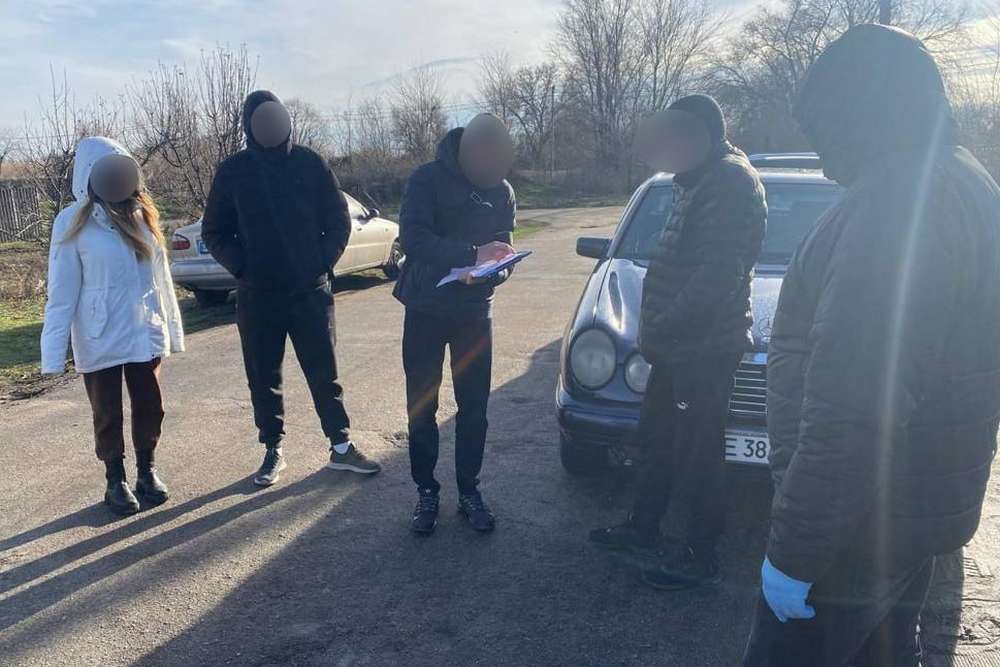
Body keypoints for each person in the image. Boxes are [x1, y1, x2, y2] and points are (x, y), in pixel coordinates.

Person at [743, 25, 1000, 667]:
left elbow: (855, 408)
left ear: (865, 113)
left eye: (826, 131)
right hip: (915, 509)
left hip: (857, 531)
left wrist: (795, 554)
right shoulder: (966, 181)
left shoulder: (898, 207)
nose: (822, 156)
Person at [589, 94, 766, 590]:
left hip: (703, 349)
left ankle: (700, 554)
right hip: (678, 348)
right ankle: (643, 528)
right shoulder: (697, 180)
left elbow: (717, 276)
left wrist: (664, 323)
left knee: (698, 453)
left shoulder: (729, 182)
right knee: (657, 440)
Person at [202, 90, 380, 487]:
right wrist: (244, 267)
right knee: (263, 375)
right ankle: (272, 449)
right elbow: (214, 231)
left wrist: (322, 263)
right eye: (261, 121)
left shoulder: (310, 163)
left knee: (324, 372)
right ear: (249, 127)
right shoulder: (233, 171)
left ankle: (341, 446)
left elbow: (338, 219)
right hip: (258, 296)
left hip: (310, 292)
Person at [40, 136, 185, 516]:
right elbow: (61, 290)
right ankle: (114, 479)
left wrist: (172, 331)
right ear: (89, 176)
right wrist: (52, 353)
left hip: (143, 330)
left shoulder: (143, 214)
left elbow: (162, 281)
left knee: (150, 405)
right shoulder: (72, 221)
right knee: (107, 410)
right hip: (99, 332)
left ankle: (147, 471)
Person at [395, 113, 517, 534]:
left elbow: (504, 252)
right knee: (422, 406)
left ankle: (469, 490)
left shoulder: (503, 191)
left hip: (474, 314)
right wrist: (469, 256)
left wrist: (494, 271)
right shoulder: (426, 179)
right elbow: (413, 240)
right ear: (466, 150)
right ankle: (426, 490)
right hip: (425, 309)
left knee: (474, 409)